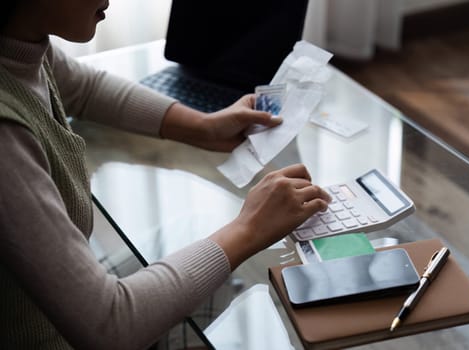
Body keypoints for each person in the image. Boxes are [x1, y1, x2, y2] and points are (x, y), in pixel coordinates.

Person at [0, 0, 331, 349]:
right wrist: (249, 228)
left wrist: (202, 127)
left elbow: (83, 88)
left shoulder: (24, 48)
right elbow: (109, 326)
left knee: (205, 241)